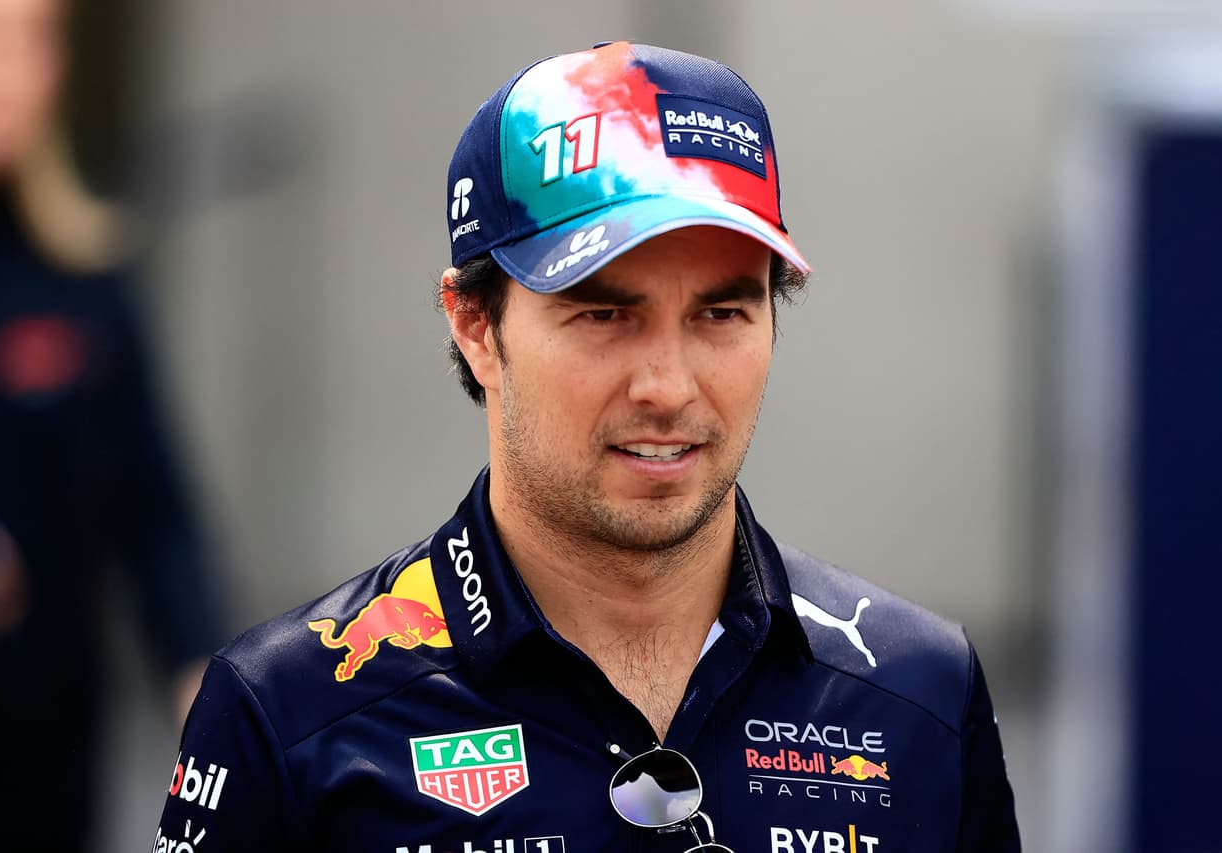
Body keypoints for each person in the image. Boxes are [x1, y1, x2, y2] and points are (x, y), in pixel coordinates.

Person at [153, 41, 1019, 852]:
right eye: (604, 314)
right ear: (475, 327)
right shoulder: (291, 711)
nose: (668, 386)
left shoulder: (920, 693)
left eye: (721, 313)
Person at [0, 0, 225, 849]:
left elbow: (156, 505)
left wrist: (201, 673)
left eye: (30, 43)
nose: (11, 75)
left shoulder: (82, 274)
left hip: (48, 742)